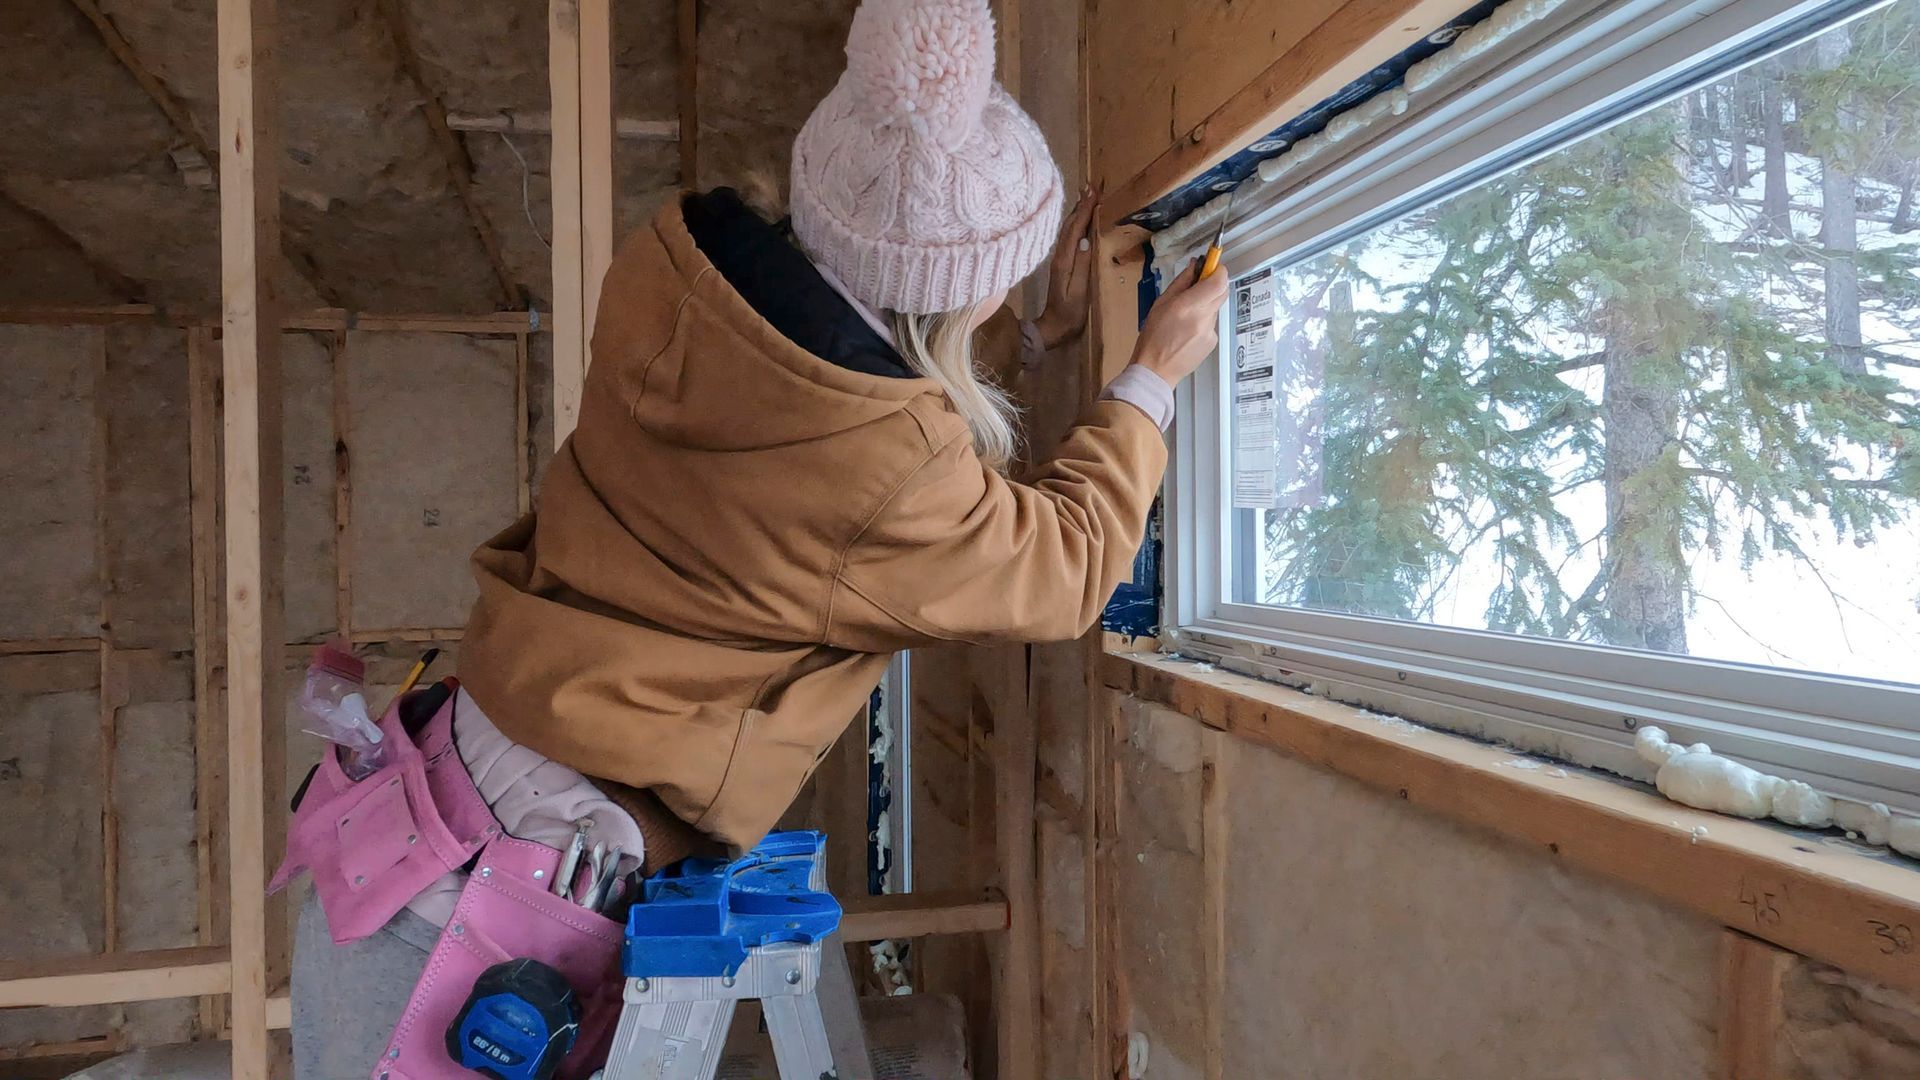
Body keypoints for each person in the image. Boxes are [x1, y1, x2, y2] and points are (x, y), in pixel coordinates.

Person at [287, 0, 1226, 1073]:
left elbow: (851, 394)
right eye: (995, 283)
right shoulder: (886, 466)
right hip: (504, 894)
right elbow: (1061, 571)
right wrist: (1149, 378)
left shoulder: (669, 274)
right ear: (955, 300)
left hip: (436, 791)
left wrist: (1022, 332)